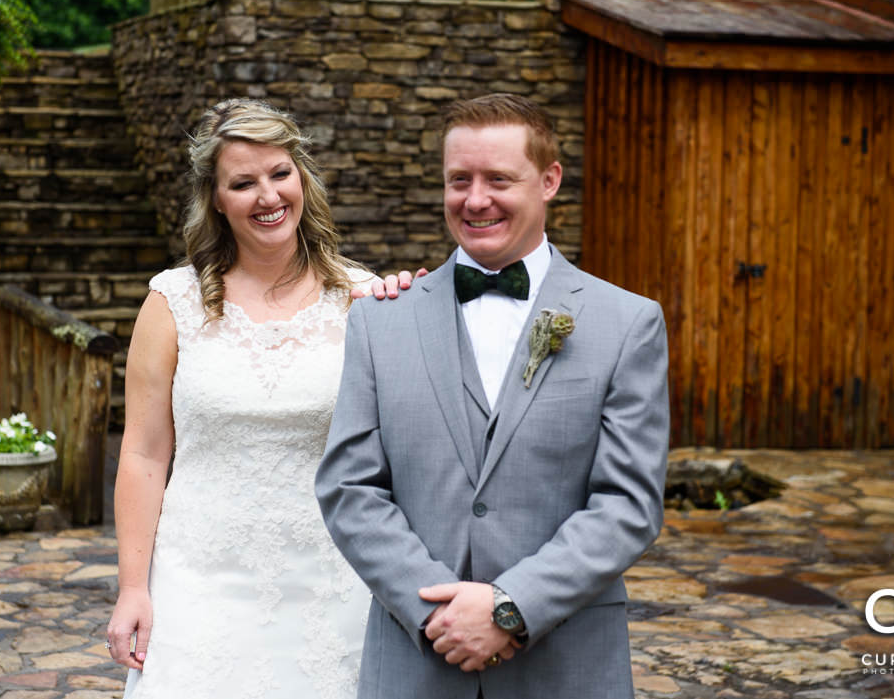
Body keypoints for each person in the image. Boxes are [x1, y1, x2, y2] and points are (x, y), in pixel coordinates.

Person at [316, 93, 670, 699]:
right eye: (460, 180)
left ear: (549, 180)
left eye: (498, 179)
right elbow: (349, 488)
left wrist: (512, 608)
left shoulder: (627, 323)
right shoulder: (379, 321)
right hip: (417, 662)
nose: (475, 200)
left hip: (566, 665)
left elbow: (627, 503)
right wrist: (437, 615)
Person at [106, 98, 415, 698]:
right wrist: (133, 587)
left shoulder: (367, 299)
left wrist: (416, 313)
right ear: (216, 199)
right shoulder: (172, 304)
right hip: (200, 579)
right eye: (243, 183)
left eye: (279, 174)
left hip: (333, 578)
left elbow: (411, 444)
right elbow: (143, 454)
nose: (268, 197)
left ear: (301, 176)